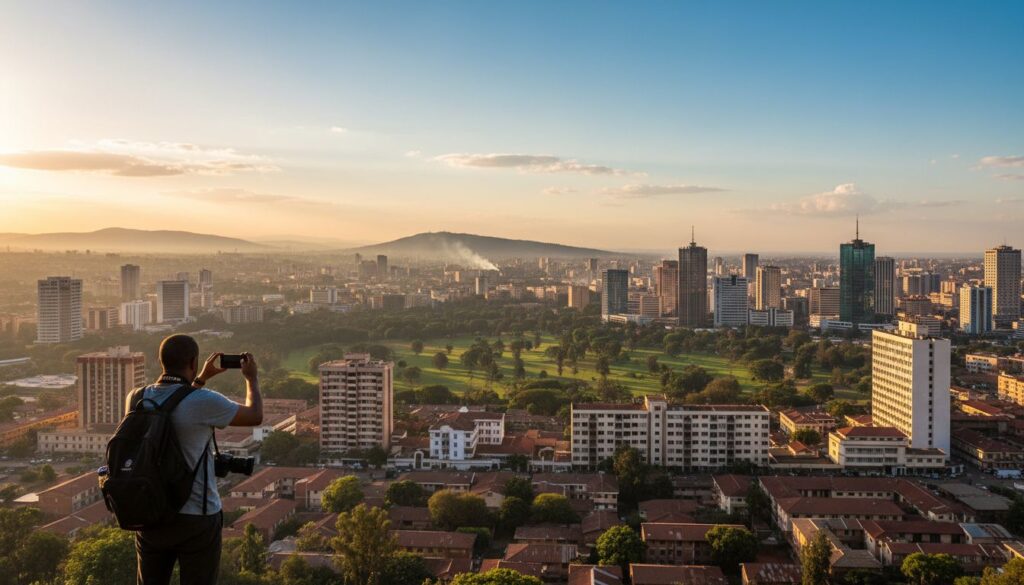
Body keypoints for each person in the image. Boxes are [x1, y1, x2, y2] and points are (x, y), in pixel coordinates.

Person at [130, 334, 264, 585]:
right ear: (193, 362)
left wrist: (200, 378)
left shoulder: (137, 398)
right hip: (196, 516)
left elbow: (173, 404)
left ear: (161, 361)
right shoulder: (204, 401)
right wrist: (252, 378)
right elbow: (254, 416)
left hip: (150, 513)